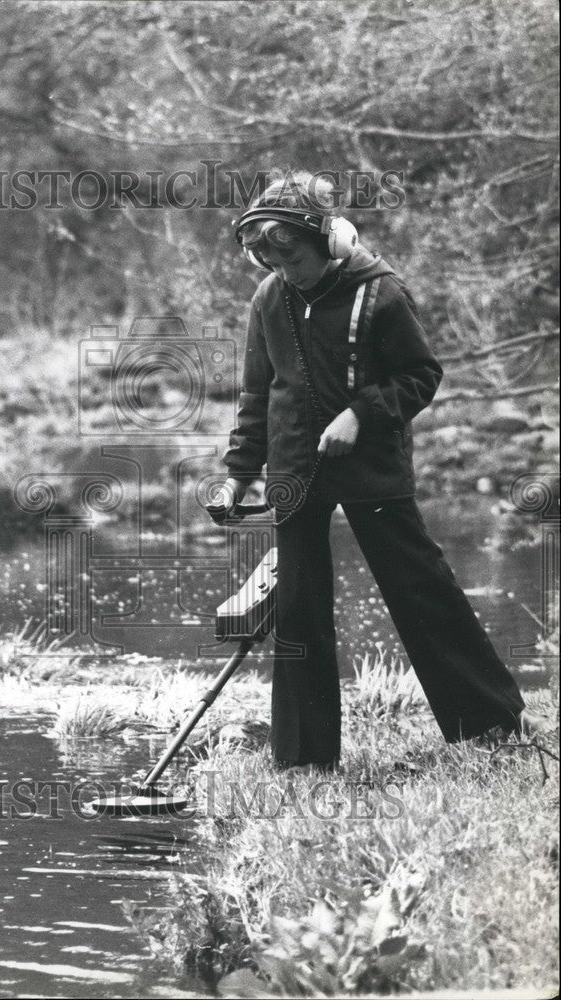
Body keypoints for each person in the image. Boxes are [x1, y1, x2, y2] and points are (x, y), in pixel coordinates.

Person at [209, 170, 543, 771]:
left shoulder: (382, 292)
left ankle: (490, 722)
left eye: (297, 262)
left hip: (373, 468)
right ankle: (305, 759)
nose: (288, 274)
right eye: (272, 264)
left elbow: (421, 375)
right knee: (299, 609)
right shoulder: (269, 296)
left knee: (421, 588)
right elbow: (258, 393)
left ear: (330, 242)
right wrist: (238, 472)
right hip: (294, 470)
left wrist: (362, 414)